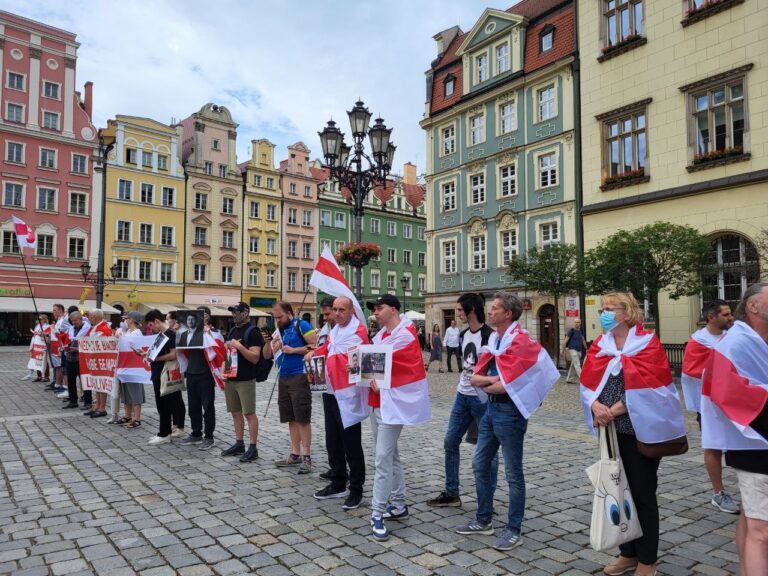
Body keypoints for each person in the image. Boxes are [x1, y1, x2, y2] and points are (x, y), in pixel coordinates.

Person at [580, 292, 686, 576]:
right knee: (618, 491)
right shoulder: (600, 345)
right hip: (611, 432)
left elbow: (652, 389)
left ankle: (647, 560)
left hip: (640, 433)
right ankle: (628, 553)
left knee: (642, 494)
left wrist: (612, 410)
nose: (603, 313)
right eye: (602, 308)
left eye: (609, 308)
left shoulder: (647, 345)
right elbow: (588, 382)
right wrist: (595, 404)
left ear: (626, 313)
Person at [455, 292, 559, 551]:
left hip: (511, 413)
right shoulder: (496, 340)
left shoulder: (519, 342)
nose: (489, 312)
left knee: (513, 473)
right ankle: (483, 519)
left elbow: (505, 385)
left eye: (495, 309)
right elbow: (475, 378)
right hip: (490, 410)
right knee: (479, 463)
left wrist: (492, 383)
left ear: (508, 314)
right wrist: (493, 383)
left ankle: (513, 529)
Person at [702, 284, 768, 576]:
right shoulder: (737, 343)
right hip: (754, 439)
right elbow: (725, 390)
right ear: (753, 306)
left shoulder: (755, 339)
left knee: (750, 516)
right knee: (762, 530)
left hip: (757, 440)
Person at [367, 294, 430, 541]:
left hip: (393, 404)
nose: (375, 313)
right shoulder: (381, 336)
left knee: (382, 459)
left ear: (393, 310)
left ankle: (377, 513)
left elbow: (401, 367)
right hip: (378, 402)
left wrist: (374, 374)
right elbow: (372, 365)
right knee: (390, 455)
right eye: (374, 309)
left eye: (379, 308)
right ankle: (400, 503)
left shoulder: (404, 334)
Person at [428, 293, 497, 508]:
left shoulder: (490, 336)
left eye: (460, 310)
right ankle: (452, 493)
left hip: (483, 400)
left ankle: (487, 499)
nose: (457, 314)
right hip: (462, 396)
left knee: (488, 450)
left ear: (471, 310)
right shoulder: (463, 335)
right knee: (450, 441)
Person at [307, 296, 369, 510]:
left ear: (351, 311)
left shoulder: (358, 332)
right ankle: (338, 482)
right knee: (332, 441)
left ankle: (356, 489)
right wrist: (315, 353)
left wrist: (323, 356)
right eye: (335, 309)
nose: (338, 313)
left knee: (351, 444)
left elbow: (356, 361)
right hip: (331, 390)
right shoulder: (334, 331)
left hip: (348, 395)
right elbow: (330, 350)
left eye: (342, 309)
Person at [681, 299, 738, 514]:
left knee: (742, 446)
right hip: (709, 406)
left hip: (735, 402)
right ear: (711, 317)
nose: (730, 317)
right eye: (725, 314)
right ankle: (719, 493)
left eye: (730, 313)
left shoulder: (733, 337)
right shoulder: (698, 342)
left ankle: (750, 488)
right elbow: (692, 373)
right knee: (713, 447)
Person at [221, 301, 271, 463]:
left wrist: (240, 347)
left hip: (246, 379)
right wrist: (223, 370)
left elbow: (255, 358)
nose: (234, 314)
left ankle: (253, 447)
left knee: (249, 413)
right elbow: (228, 354)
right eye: (232, 311)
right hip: (231, 377)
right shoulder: (233, 330)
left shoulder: (253, 332)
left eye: (237, 311)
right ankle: (239, 443)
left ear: (245, 313)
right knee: (235, 412)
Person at [272, 301, 317, 473]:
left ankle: (307, 456)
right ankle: (295, 453)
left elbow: (315, 347)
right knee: (290, 416)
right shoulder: (280, 329)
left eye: (280, 317)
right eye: (275, 317)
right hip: (283, 375)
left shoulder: (302, 324)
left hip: (300, 375)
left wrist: (294, 350)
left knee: (302, 417)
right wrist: (273, 346)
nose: (278, 320)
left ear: (289, 313)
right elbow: (269, 353)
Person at [178, 306, 218, 449]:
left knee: (207, 406)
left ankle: (209, 436)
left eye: (203, 314)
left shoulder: (213, 332)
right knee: (193, 406)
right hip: (192, 371)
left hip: (206, 373)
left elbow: (217, 348)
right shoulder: (190, 332)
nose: (200, 317)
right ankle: (196, 433)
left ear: (208, 316)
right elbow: (182, 349)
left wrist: (208, 333)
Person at [144, 309, 186, 445]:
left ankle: (164, 434)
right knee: (162, 404)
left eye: (151, 325)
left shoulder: (170, 334)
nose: (151, 328)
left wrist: (155, 359)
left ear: (157, 321)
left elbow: (174, 355)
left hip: (164, 373)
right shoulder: (163, 334)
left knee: (164, 405)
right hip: (158, 373)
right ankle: (164, 432)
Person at [118, 311, 145, 429]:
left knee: (135, 392)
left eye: (127, 319)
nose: (125, 321)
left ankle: (137, 418)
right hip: (125, 366)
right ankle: (127, 415)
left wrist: (121, 337)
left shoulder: (137, 333)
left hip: (134, 368)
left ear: (132, 320)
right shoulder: (128, 331)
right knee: (125, 392)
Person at [84, 309, 113, 418]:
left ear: (95, 317)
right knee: (96, 384)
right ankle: (96, 406)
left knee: (101, 384)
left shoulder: (104, 329)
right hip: (95, 359)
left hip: (102, 360)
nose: (88, 318)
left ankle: (102, 408)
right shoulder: (96, 327)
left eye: (90, 316)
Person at [62, 311, 90, 409]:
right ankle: (73, 401)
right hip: (70, 357)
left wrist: (77, 349)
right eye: (72, 321)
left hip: (82, 358)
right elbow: (68, 340)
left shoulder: (87, 329)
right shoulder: (71, 329)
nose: (74, 322)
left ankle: (88, 402)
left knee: (84, 380)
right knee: (71, 380)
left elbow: (89, 345)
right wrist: (66, 347)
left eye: (75, 320)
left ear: (81, 319)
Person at [46, 304, 66, 393]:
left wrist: (53, 329)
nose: (53, 312)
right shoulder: (58, 320)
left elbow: (62, 333)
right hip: (54, 345)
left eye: (54, 310)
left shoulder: (63, 320)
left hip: (59, 346)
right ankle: (57, 384)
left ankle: (60, 385)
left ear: (60, 310)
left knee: (60, 366)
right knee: (57, 366)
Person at [561, 319, 587, 385]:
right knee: (577, 364)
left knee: (573, 365)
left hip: (579, 350)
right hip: (572, 349)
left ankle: (569, 379)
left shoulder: (581, 331)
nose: (576, 323)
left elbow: (583, 340)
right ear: (574, 323)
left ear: (580, 323)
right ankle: (583, 379)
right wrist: (562, 350)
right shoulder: (571, 331)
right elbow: (565, 340)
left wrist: (586, 349)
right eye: (575, 322)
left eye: (578, 322)